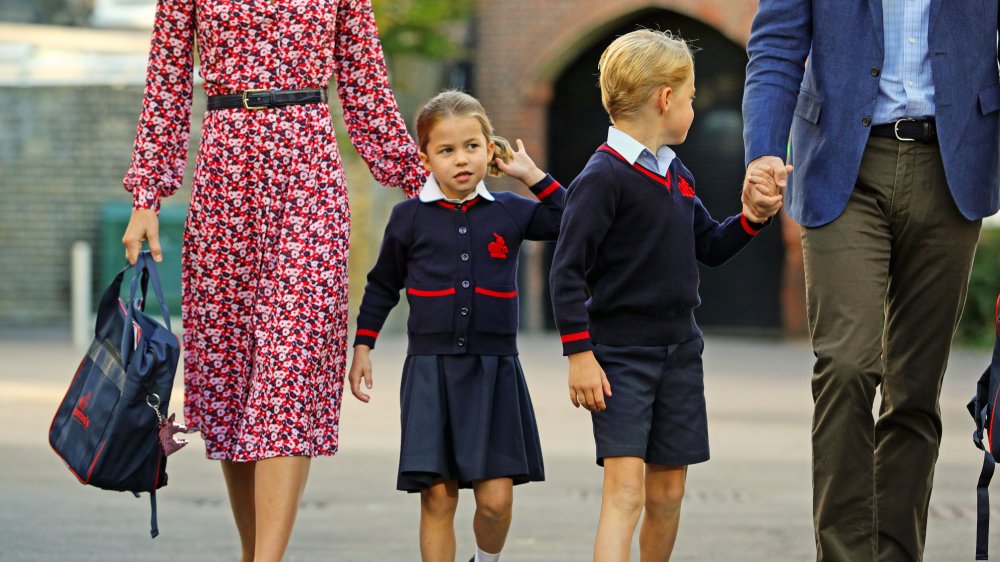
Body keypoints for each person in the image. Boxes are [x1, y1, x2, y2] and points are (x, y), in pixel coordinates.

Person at [118, 0, 428, 560]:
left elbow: (365, 83)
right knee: (234, 377)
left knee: (291, 364)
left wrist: (424, 182)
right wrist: (148, 195)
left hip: (308, 167)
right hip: (224, 175)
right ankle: (252, 551)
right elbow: (165, 79)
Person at [742, 1, 1000, 560]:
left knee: (915, 387)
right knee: (847, 364)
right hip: (842, 164)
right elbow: (777, 47)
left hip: (952, 165)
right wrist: (763, 151)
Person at [549, 29, 784, 562]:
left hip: (681, 354)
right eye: (692, 97)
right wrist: (580, 356)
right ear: (664, 99)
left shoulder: (676, 173)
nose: (694, 109)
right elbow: (565, 272)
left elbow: (710, 245)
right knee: (626, 494)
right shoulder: (601, 177)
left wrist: (751, 219)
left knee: (668, 494)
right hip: (619, 360)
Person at [347, 90, 565, 562]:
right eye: (446, 150)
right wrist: (363, 347)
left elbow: (573, 220)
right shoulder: (408, 217)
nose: (461, 159)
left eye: (471, 146)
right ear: (424, 156)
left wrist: (532, 176)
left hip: (495, 371)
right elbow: (383, 285)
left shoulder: (510, 210)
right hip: (431, 372)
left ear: (491, 149)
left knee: (495, 500)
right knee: (439, 497)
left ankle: (486, 560)